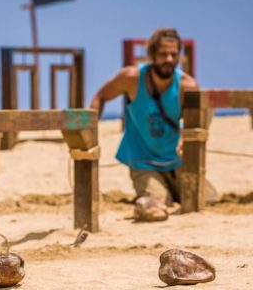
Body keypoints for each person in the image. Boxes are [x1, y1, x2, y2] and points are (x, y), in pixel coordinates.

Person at [90, 27, 211, 207]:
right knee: (157, 204)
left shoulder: (187, 86)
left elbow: (204, 114)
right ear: (152, 54)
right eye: (163, 54)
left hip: (175, 160)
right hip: (143, 161)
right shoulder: (131, 78)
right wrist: (90, 135)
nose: (169, 59)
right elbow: (100, 97)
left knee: (207, 200)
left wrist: (187, 139)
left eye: (174, 54)